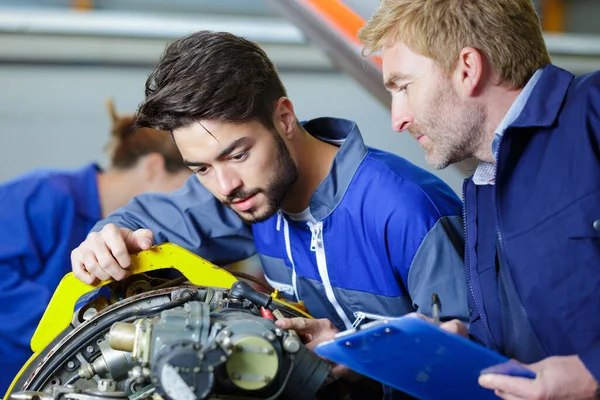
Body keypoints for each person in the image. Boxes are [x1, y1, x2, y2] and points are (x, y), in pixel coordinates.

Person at [70, 31, 469, 388]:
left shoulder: (407, 209)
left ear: (284, 118)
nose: (225, 186)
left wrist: (361, 353)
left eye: (238, 154)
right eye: (202, 168)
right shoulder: (249, 197)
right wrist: (105, 240)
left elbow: (476, 353)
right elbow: (139, 221)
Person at [354, 0, 600, 399]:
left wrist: (593, 374)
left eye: (403, 86)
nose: (397, 118)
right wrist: (464, 345)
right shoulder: (482, 189)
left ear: (467, 69)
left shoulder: (594, 112)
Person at [0, 100, 190, 393]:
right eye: (187, 187)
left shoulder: (149, 245)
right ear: (154, 166)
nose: (188, 205)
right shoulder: (43, 196)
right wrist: (87, 332)